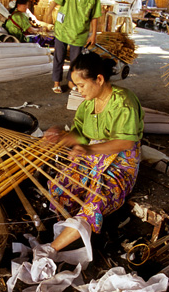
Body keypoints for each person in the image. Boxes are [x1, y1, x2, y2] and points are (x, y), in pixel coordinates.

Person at [43, 51, 144, 253]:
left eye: (81, 85)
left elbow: (124, 142)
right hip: (91, 159)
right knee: (59, 188)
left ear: (99, 79)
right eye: (76, 86)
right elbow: (80, 134)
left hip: (120, 164)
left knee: (95, 202)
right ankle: (71, 232)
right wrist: (61, 137)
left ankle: (50, 251)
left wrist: (88, 149)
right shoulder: (87, 105)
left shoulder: (124, 102)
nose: (78, 91)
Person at [45, 0, 102, 93]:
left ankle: (71, 81)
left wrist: (93, 34)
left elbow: (94, 15)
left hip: (80, 33)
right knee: (59, 57)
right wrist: (47, 14)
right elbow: (57, 1)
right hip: (63, 29)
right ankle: (56, 82)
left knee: (75, 61)